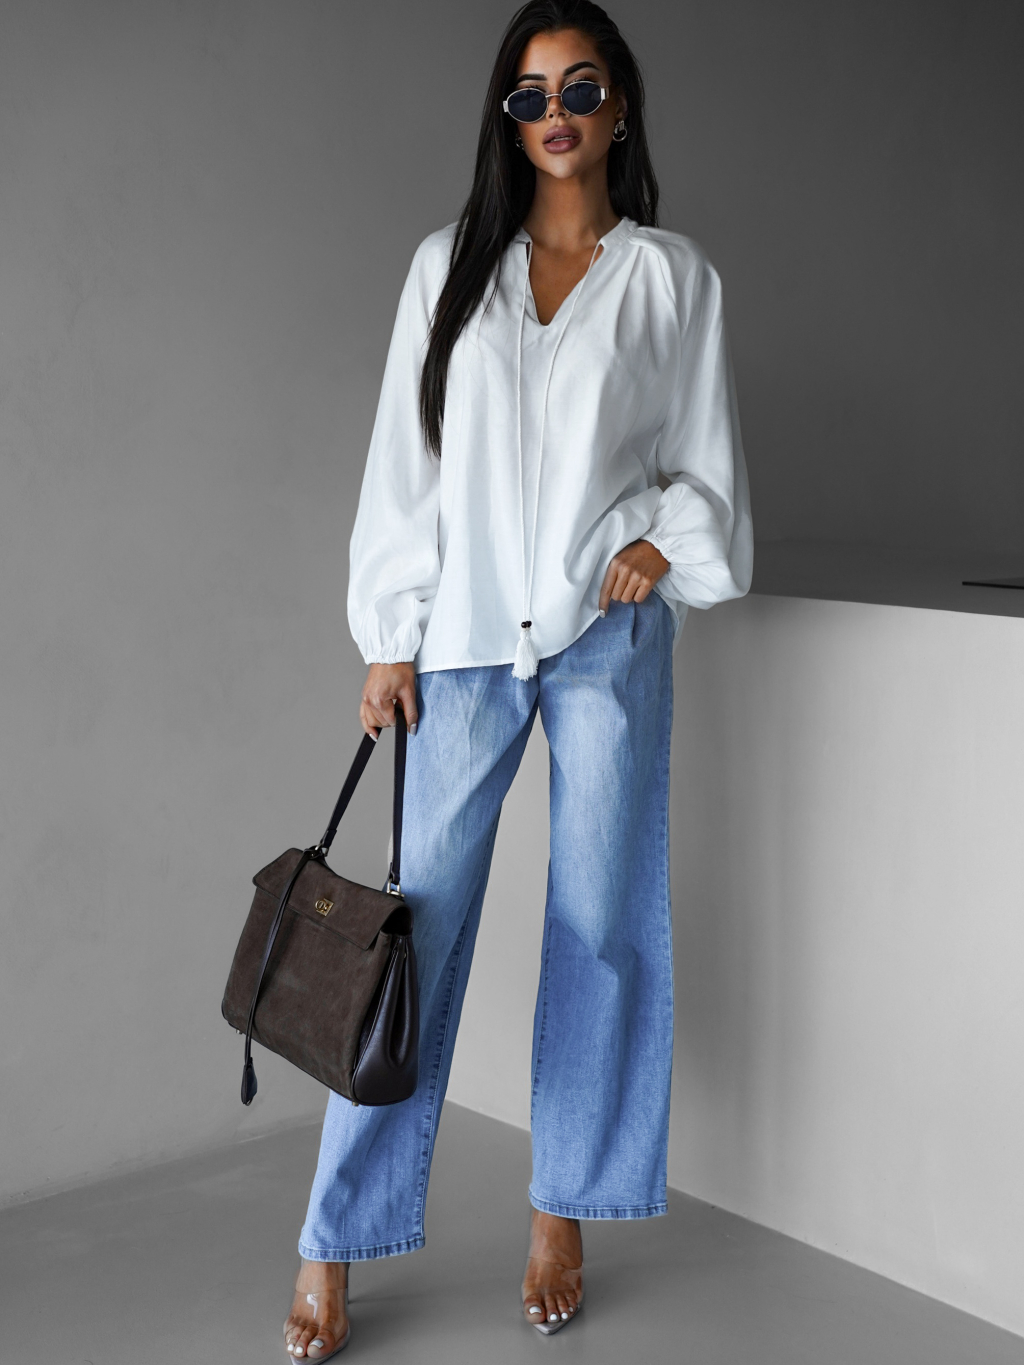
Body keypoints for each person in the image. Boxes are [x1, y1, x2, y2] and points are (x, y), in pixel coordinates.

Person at [284, 0, 752, 1356]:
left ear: (621, 105)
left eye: (581, 88)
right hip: (468, 641)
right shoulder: (449, 269)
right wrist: (390, 634)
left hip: (609, 638)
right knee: (411, 933)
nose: (557, 115)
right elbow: (405, 460)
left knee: (603, 922)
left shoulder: (671, 280)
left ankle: (566, 1205)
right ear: (508, 117)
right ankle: (336, 1230)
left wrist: (665, 539)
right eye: (533, 95)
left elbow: (706, 462)